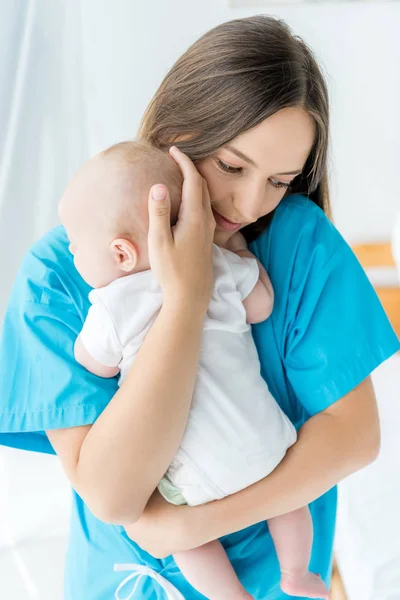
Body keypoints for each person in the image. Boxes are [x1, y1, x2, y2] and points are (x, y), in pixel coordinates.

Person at [0, 15, 398, 600]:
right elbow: (112, 493)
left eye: (280, 180)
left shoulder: (295, 242)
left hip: (277, 582)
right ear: (177, 133)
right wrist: (184, 300)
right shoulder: (60, 276)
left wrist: (194, 523)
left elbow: (355, 435)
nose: (250, 203)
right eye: (232, 167)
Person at [59, 139, 330, 600]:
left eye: (76, 247)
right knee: (290, 502)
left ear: (121, 254)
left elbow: (94, 364)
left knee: (189, 540)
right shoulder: (219, 264)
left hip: (196, 475)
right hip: (265, 444)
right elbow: (262, 306)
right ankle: (296, 571)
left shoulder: (112, 306)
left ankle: (232, 596)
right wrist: (240, 250)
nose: (70, 254)